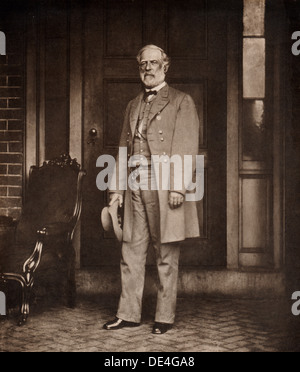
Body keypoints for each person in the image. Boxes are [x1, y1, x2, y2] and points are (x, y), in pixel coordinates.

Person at [103, 45, 200, 335]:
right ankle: (128, 313)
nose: (148, 68)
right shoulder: (132, 105)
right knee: (130, 249)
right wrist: (116, 192)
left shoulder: (182, 101)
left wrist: (179, 188)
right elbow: (122, 150)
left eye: (154, 62)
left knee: (166, 251)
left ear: (165, 66)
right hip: (134, 183)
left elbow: (186, 147)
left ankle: (164, 316)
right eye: (143, 63)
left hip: (164, 186)